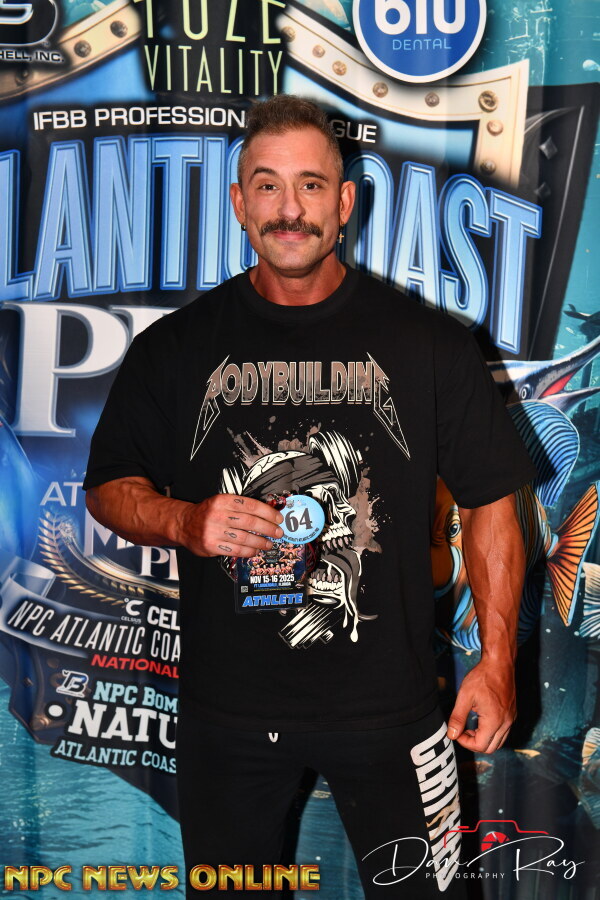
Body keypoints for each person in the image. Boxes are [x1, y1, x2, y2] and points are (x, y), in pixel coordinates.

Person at [84, 95, 536, 898]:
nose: (289, 209)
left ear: (345, 201)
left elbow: (493, 498)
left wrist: (497, 660)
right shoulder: (175, 349)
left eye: (311, 186)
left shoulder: (428, 344)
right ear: (238, 201)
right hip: (228, 719)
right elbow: (109, 489)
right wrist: (187, 521)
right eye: (267, 185)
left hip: (396, 712)